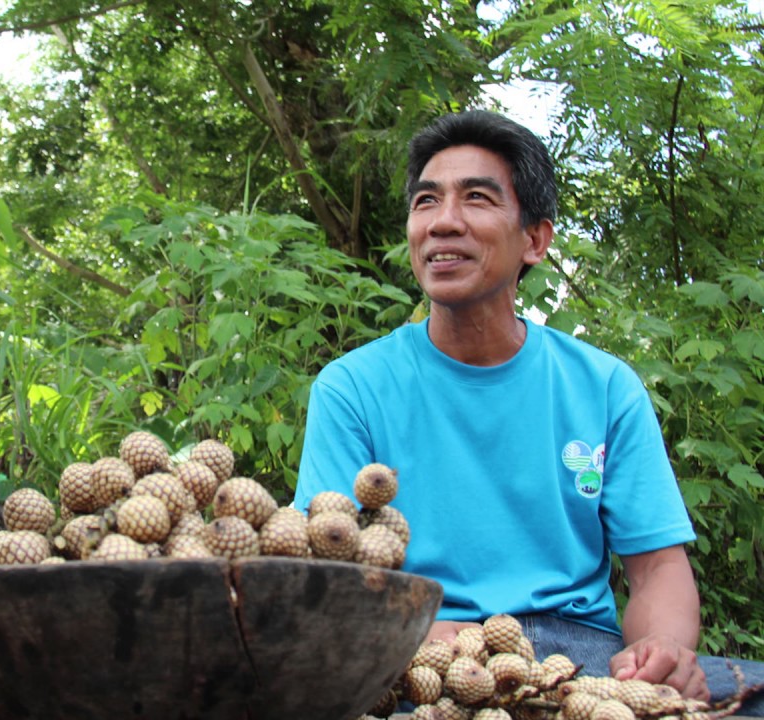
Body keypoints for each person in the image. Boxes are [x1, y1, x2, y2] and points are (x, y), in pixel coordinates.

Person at [293, 110, 761, 714]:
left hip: (582, 655)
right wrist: (422, 635)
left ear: (535, 241)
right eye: (426, 201)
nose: (443, 222)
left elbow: (657, 571)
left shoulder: (604, 387)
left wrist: (662, 650)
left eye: (477, 198)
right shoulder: (353, 388)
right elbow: (328, 570)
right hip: (425, 651)